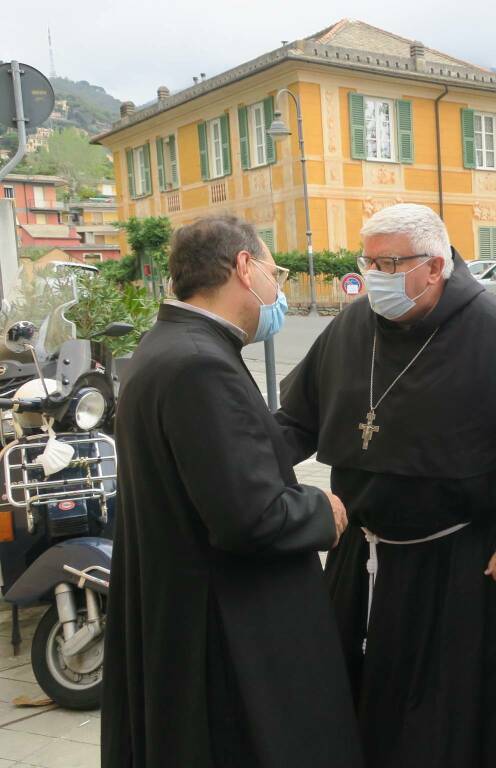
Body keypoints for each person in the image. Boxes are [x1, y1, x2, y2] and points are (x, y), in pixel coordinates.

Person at [274, 203, 496, 768]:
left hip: (461, 563)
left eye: (390, 263)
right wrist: (245, 467)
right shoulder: (350, 327)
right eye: (368, 262)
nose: (375, 276)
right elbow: (297, 421)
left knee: (453, 714)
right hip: (361, 555)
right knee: (357, 693)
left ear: (436, 266)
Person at [102, 217, 363, 768]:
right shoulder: (200, 364)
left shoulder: (170, 346)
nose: (278, 289)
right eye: (275, 272)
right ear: (244, 268)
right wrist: (323, 511)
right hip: (225, 625)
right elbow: (250, 517)